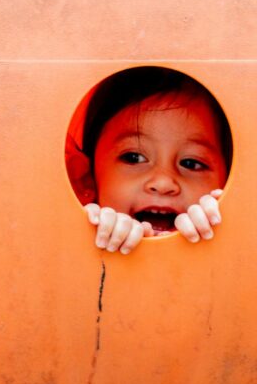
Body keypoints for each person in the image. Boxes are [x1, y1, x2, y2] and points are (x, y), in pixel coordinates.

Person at [76, 68, 232, 255]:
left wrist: (223, 227)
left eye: (191, 163)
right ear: (89, 179)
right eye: (134, 158)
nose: (163, 184)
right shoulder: (78, 234)